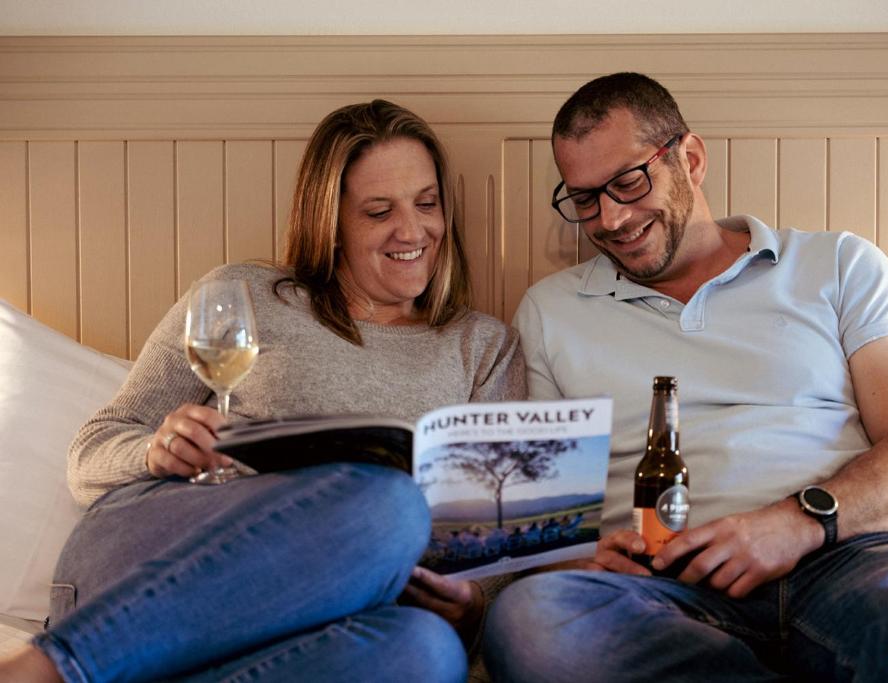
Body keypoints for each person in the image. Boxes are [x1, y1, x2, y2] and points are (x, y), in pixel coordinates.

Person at [483, 72, 888, 681]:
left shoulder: (838, 264)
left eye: (629, 182)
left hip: (848, 561)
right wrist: (574, 563)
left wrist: (797, 523)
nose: (611, 218)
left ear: (691, 158)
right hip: (664, 591)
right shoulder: (550, 311)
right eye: (584, 199)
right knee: (530, 620)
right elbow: (544, 524)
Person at [0, 99, 525, 683]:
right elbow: (90, 453)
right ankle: (57, 667)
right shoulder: (244, 294)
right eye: (379, 212)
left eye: (427, 204)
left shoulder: (484, 347)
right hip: (157, 557)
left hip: (338, 614)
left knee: (427, 651)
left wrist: (471, 602)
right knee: (388, 504)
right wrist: (153, 451)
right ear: (330, 222)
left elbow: (495, 549)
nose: (413, 230)